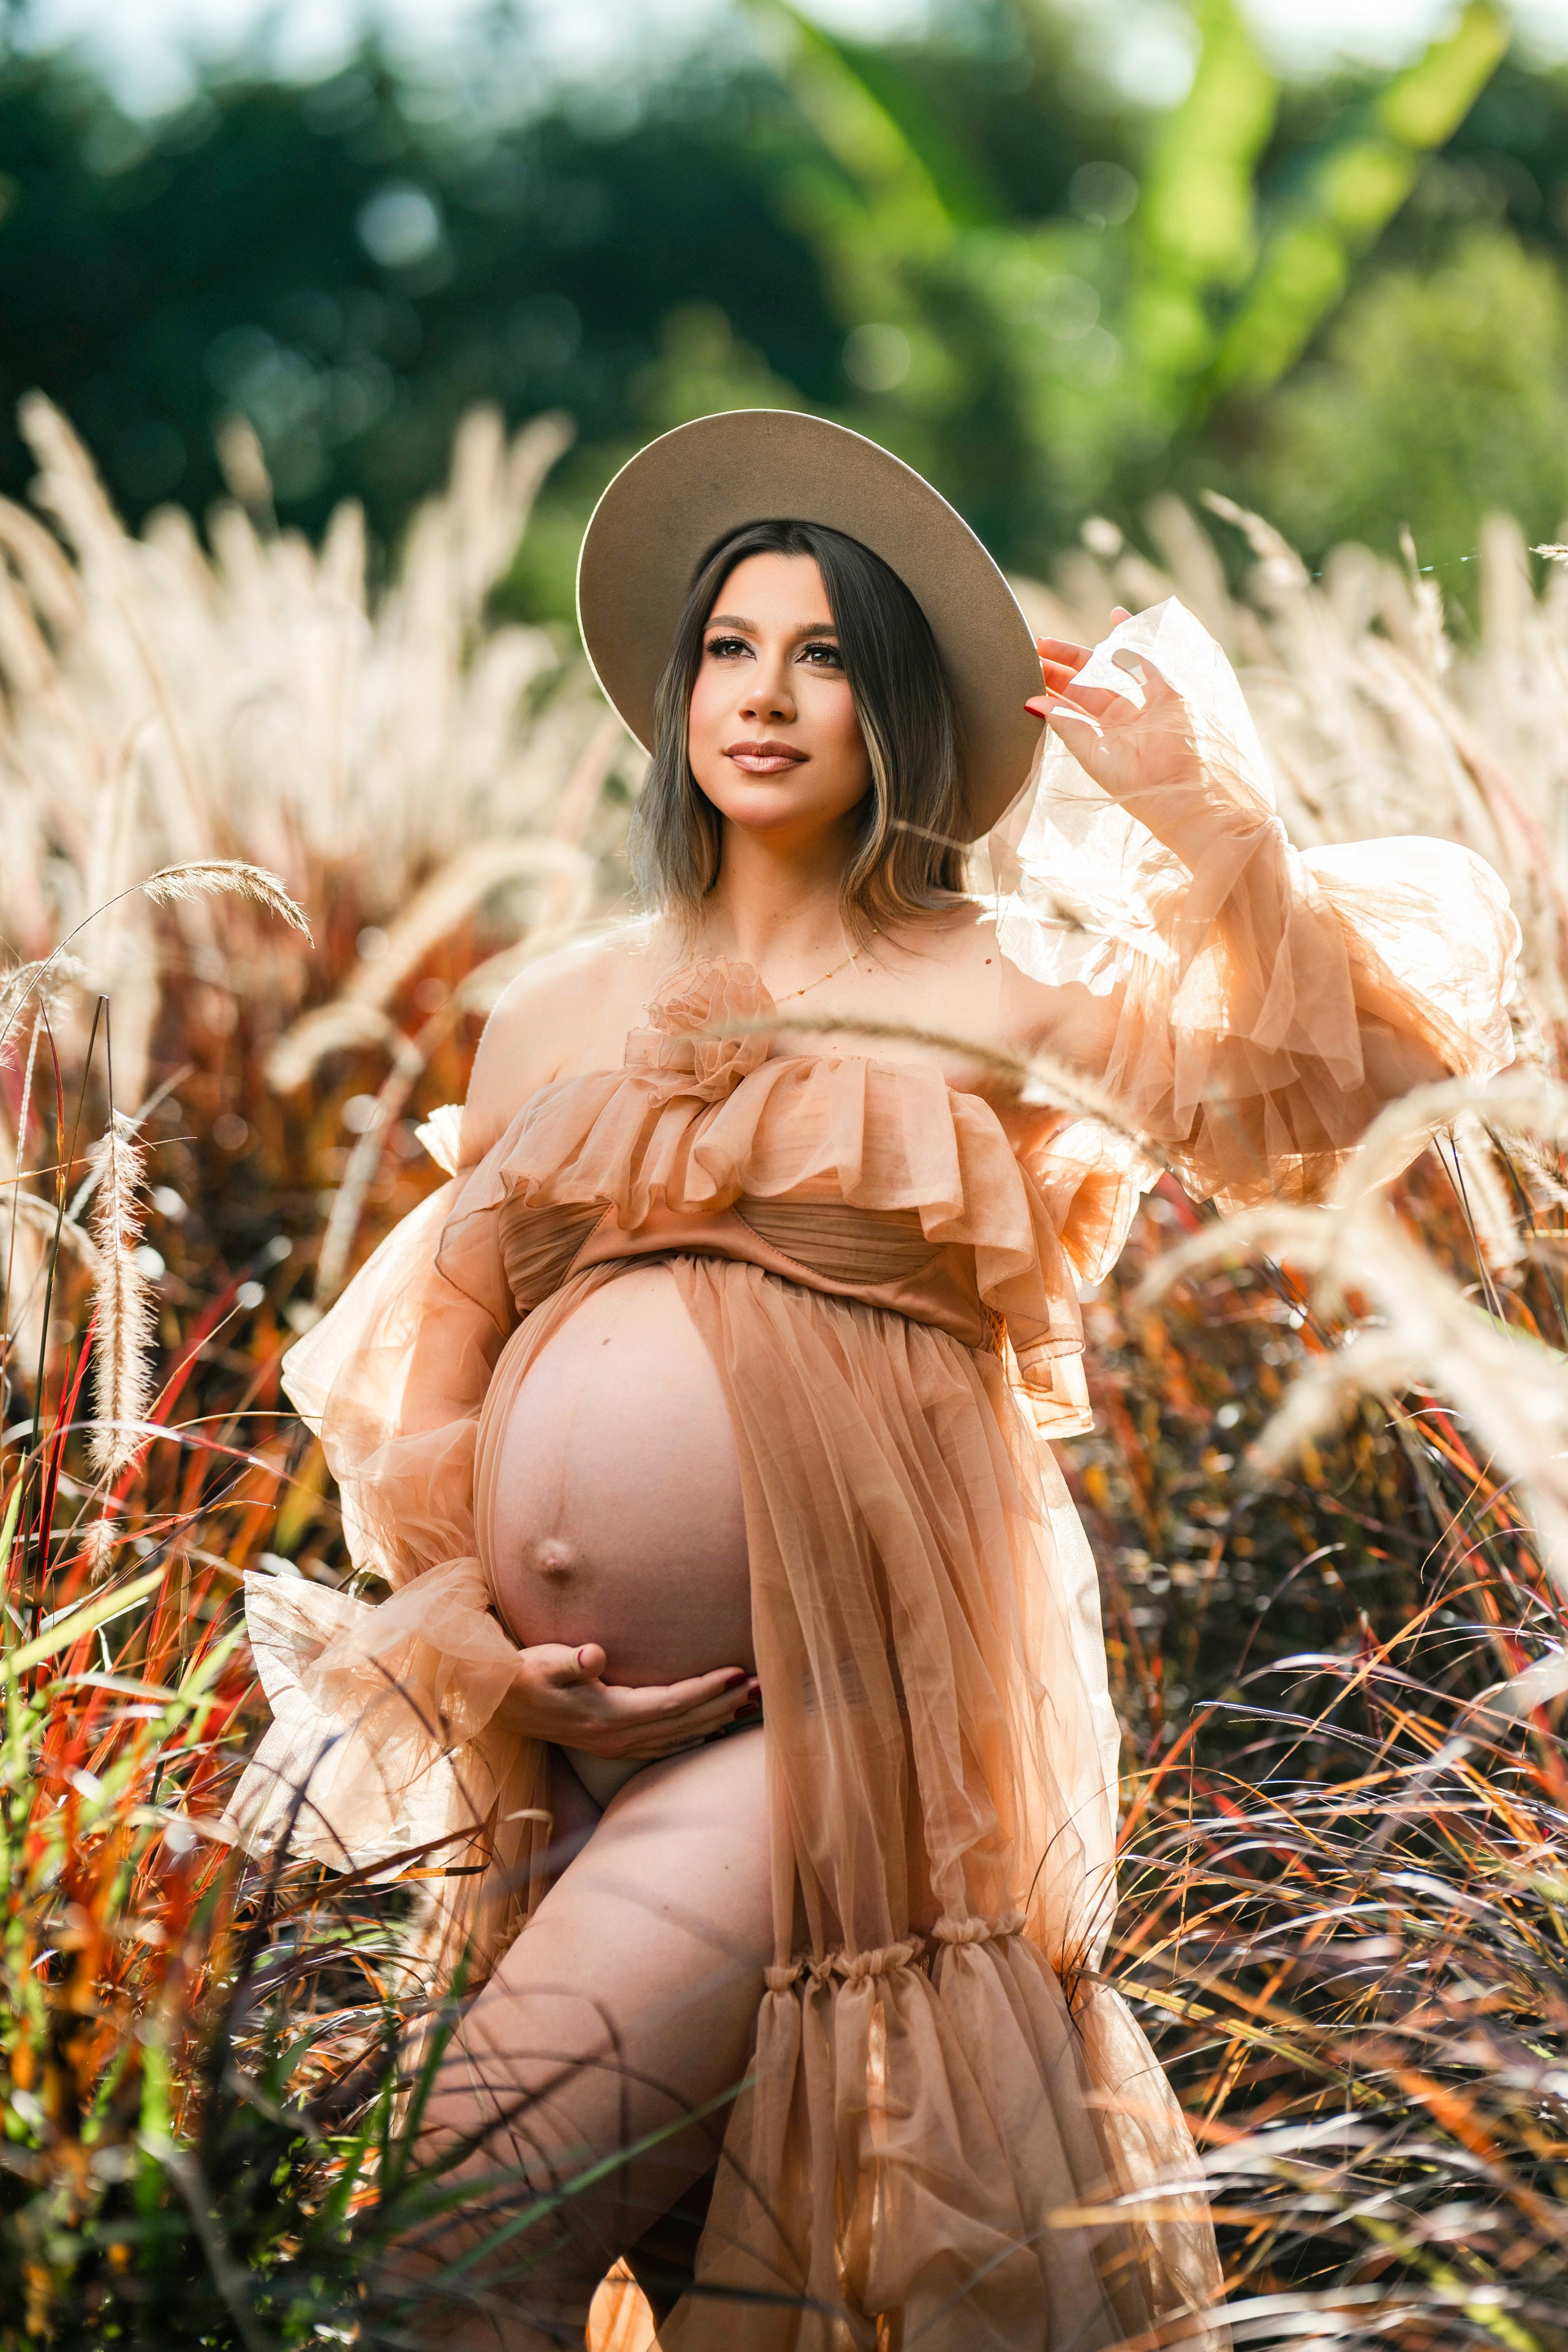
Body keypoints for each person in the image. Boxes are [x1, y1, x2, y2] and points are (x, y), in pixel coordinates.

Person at [231, 410, 1520, 2350]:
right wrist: (482, 1620)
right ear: (679, 692)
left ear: (891, 709)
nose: (767, 694)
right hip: (559, 1735)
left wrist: (1205, 818)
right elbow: (447, 1354)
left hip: (825, 1733)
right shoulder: (553, 1006)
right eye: (733, 647)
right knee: (712, 2277)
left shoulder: (994, 984)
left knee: (449, 2252)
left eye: (825, 655)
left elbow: (1317, 1104)